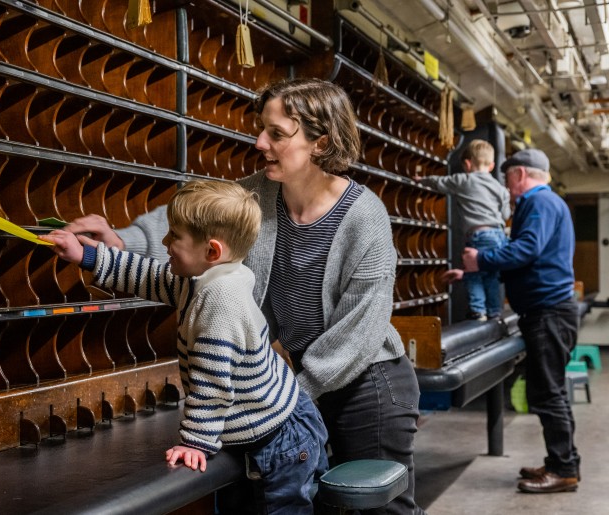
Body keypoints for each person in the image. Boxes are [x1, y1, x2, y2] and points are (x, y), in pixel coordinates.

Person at [63, 78, 425, 515]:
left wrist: (289, 398)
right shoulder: (257, 193)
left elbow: (360, 332)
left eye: (276, 133)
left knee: (381, 510)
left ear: (319, 142)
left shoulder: (364, 217)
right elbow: (194, 220)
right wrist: (119, 241)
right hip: (296, 384)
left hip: (367, 383)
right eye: (261, 129)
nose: (259, 142)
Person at [41, 180, 330, 513]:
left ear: (211, 251)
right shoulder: (205, 278)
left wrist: (196, 443)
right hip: (275, 424)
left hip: (280, 439)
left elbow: (214, 386)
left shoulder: (221, 300)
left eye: (174, 236)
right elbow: (148, 276)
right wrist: (86, 255)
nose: (164, 242)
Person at [445, 148, 580, 493]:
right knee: (547, 392)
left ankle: (564, 470)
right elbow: (530, 260)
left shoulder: (539, 203)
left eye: (507, 179)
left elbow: (527, 250)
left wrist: (483, 259)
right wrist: (470, 271)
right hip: (548, 311)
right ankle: (558, 463)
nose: (506, 188)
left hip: (549, 313)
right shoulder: (548, 204)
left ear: (520, 174)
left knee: (549, 395)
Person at [417, 139, 511, 321]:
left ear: (467, 164)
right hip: (499, 236)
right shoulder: (500, 188)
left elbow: (441, 182)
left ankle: (478, 311)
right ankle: (494, 312)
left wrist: (422, 180)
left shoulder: (464, 180)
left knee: (473, 273)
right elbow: (506, 213)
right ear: (491, 165)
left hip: (478, 235)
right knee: (491, 275)